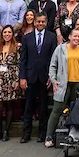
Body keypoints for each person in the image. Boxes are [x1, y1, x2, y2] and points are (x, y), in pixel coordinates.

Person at [45, 27, 79, 147]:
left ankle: (74, 136)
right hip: (63, 84)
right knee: (57, 110)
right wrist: (54, 81)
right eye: (74, 36)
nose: (76, 38)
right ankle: (49, 136)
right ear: (69, 37)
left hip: (78, 84)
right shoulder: (60, 49)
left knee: (76, 111)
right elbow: (53, 66)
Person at [19, 12, 57, 143]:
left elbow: (53, 59)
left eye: (43, 22)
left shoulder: (51, 37)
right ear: (34, 22)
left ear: (46, 22)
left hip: (44, 77)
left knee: (43, 107)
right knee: (28, 106)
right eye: (38, 22)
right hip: (30, 76)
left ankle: (42, 133)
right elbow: (23, 59)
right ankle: (26, 133)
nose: (40, 24)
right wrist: (22, 77)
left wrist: (51, 77)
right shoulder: (27, 37)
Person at [0, 25, 24, 142]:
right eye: (5, 32)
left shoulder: (17, 47)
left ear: (12, 34)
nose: (7, 34)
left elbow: (19, 64)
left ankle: (6, 132)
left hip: (11, 78)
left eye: (9, 32)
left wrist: (17, 80)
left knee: (9, 105)